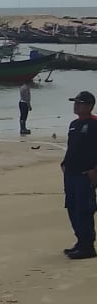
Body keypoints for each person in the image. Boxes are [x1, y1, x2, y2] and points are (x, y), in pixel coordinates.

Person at [61, 91, 97, 260]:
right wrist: (64, 164)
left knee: (84, 209)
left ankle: (88, 246)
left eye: (79, 103)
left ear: (89, 106)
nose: (76, 105)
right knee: (72, 207)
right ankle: (80, 242)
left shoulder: (94, 124)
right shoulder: (74, 124)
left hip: (85, 175)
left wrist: (95, 171)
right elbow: (72, 148)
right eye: (75, 102)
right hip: (70, 174)